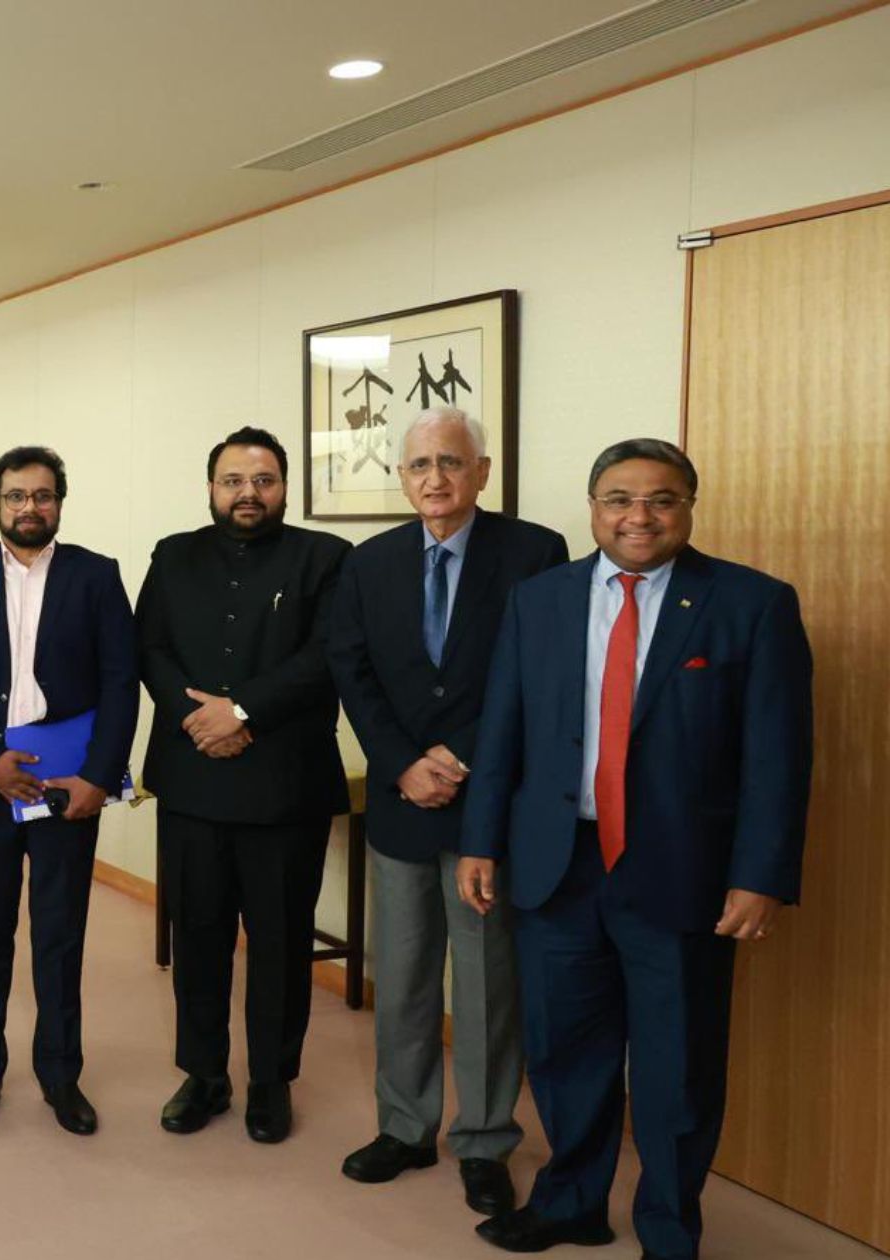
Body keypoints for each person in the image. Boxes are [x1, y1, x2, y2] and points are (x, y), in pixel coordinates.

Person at [459, 439, 812, 1260]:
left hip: (680, 873)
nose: (639, 516)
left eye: (662, 499)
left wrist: (759, 874)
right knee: (564, 1052)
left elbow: (778, 757)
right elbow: (503, 727)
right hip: (559, 865)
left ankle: (669, 1228)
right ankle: (572, 1203)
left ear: (689, 507)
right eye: (619, 499)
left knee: (677, 1066)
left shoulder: (751, 603)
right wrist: (481, 840)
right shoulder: (540, 600)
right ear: (593, 508)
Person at [324, 408, 567, 1214]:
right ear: (402, 477)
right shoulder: (370, 562)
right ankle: (404, 1127)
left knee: (488, 981)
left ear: (482, 472)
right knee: (401, 978)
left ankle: (485, 1139)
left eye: (452, 462)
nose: (436, 478)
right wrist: (400, 764)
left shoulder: (534, 553)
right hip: (401, 802)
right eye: (421, 464)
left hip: (487, 806)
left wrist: (457, 758)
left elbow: (536, 672)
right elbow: (353, 671)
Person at [138, 425, 349, 1145]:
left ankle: (270, 1081)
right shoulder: (173, 554)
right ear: (211, 488)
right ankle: (203, 1075)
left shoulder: (326, 557)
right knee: (197, 937)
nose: (248, 493)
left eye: (263, 480)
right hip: (193, 778)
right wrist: (198, 717)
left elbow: (328, 655)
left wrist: (243, 711)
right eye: (233, 481)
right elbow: (150, 648)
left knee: (281, 945)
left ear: (285, 487)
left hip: (285, 786)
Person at [0, 445, 137, 1135]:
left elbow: (121, 680)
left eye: (42, 495)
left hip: (66, 786)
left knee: (59, 936)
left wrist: (100, 777)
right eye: (16, 495)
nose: (29, 507)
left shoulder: (97, 575)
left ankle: (60, 1075)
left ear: (59, 503)